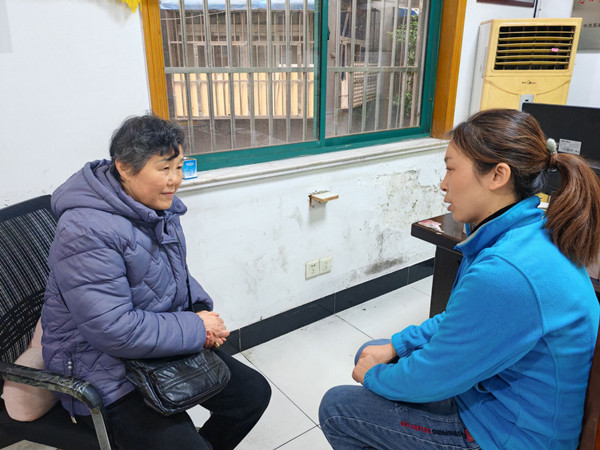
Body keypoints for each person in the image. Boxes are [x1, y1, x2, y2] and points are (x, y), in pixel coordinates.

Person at [319, 108, 600, 449]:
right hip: (496, 399)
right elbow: (460, 320)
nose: (443, 183)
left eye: (451, 169)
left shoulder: (507, 272)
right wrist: (396, 346)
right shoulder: (524, 231)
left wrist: (375, 376)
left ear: (498, 175)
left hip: (509, 436)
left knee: (337, 408)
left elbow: (434, 375)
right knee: (372, 351)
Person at [41, 115, 271, 450]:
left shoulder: (156, 207)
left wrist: (200, 312)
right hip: (103, 368)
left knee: (252, 395)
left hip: (151, 342)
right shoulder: (85, 231)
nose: (175, 180)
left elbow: (174, 274)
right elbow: (113, 329)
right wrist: (196, 327)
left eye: (179, 167)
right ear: (124, 167)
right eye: (164, 168)